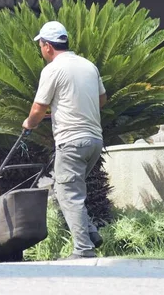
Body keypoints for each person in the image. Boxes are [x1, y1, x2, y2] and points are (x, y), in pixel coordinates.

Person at [22, 20, 107, 259]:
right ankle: (90, 231)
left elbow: (38, 108)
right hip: (94, 141)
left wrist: (29, 123)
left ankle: (84, 249)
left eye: (40, 45)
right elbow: (101, 100)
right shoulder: (88, 65)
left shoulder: (53, 69)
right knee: (73, 189)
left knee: (68, 194)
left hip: (71, 142)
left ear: (48, 46)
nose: (41, 49)